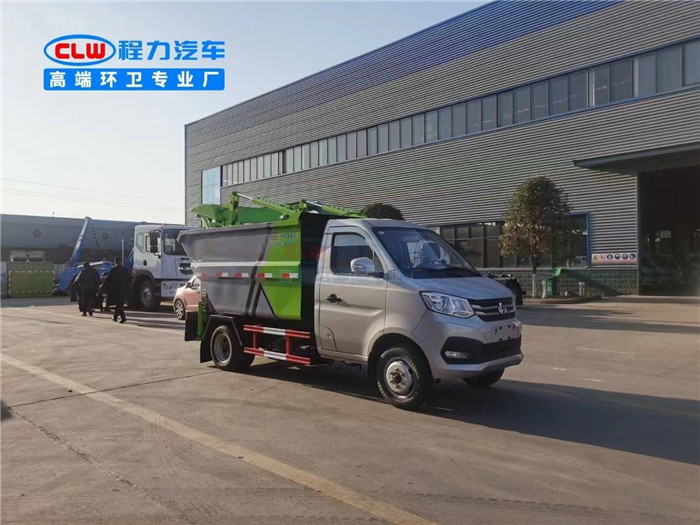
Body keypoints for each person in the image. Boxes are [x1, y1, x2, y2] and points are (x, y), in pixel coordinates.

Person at [102, 257, 130, 323]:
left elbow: (108, 279)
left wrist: (103, 286)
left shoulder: (113, 270)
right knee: (120, 303)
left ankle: (123, 317)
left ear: (115, 262)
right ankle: (115, 317)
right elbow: (129, 279)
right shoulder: (125, 270)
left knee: (118, 304)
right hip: (123, 289)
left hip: (115, 289)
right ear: (121, 261)